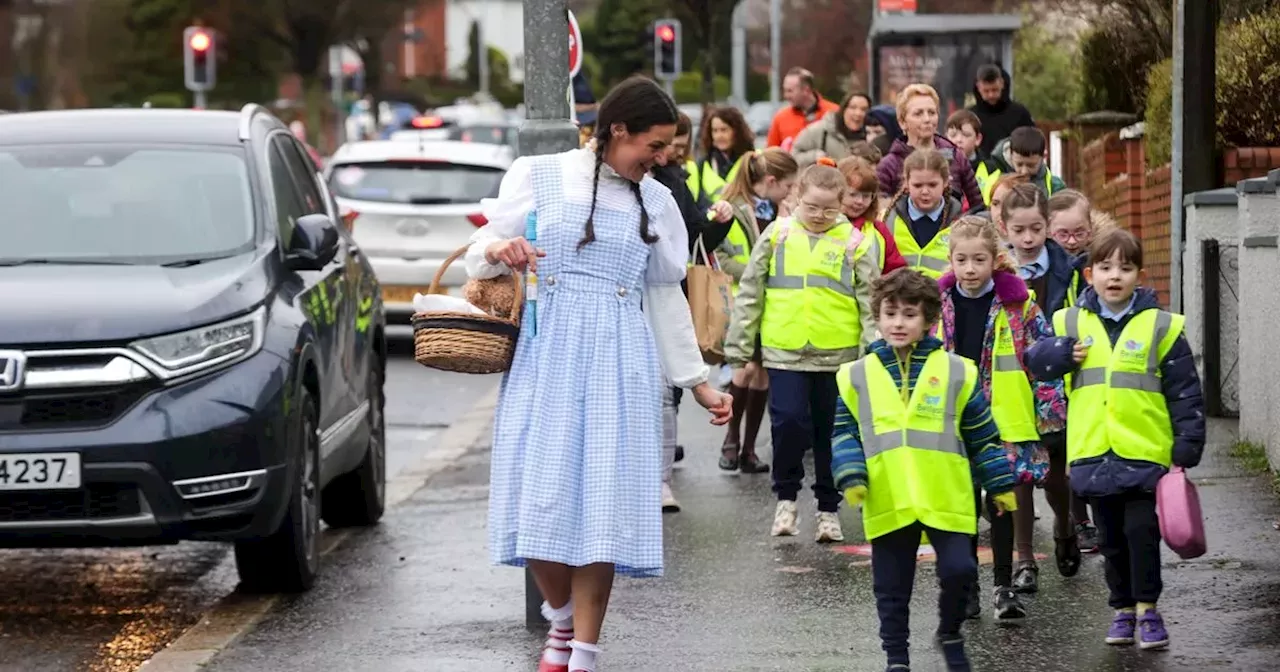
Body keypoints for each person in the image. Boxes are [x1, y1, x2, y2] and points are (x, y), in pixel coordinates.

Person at [465, 76, 733, 672]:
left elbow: (666, 300)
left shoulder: (659, 200)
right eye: (655, 145)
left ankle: (582, 650)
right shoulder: (540, 175)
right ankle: (560, 622)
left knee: (604, 507)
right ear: (618, 130)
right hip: (547, 355)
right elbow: (476, 252)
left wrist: (699, 383)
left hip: (620, 360)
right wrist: (499, 250)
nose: (664, 158)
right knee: (539, 498)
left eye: (668, 148)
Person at [1026, 227, 1206, 651]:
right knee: (1109, 540)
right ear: (1089, 274)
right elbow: (1036, 360)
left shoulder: (1160, 327)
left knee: (1141, 531)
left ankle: (1148, 610)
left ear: (1139, 276)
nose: (1114, 276)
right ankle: (1122, 609)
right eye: (1105, 267)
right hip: (1092, 453)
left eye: (1125, 268)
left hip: (1144, 453)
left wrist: (1186, 445)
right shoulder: (1071, 321)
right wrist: (1061, 353)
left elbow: (1185, 390)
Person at [831, 268, 1017, 672]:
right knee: (891, 588)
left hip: (946, 494)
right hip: (888, 494)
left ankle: (949, 630)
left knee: (960, 570)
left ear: (929, 319)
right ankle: (897, 659)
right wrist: (851, 476)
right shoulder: (856, 375)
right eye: (890, 313)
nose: (899, 323)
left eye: (910, 314)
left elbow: (983, 435)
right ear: (877, 316)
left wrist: (999, 484)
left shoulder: (957, 370)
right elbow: (844, 432)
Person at [726, 158, 879, 542]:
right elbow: (750, 292)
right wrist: (740, 347)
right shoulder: (776, 235)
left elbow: (871, 303)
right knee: (789, 424)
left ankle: (828, 508)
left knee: (832, 433)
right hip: (785, 351)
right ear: (796, 197)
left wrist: (872, 353)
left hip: (838, 355)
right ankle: (786, 499)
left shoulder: (856, 244)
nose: (819, 215)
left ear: (843, 203)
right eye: (811, 207)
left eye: (829, 208)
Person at [934, 216, 1067, 622]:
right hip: (953, 421)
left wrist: (1050, 417)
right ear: (951, 261)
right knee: (963, 506)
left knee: (1001, 504)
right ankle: (970, 586)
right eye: (962, 260)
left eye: (979, 259)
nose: (970, 268)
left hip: (1004, 423)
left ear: (995, 259)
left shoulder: (1018, 304)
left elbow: (1044, 360)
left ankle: (1003, 586)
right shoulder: (938, 305)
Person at [997, 182, 1087, 593]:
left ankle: (1066, 528)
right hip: (1012, 382)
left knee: (1054, 475)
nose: (1029, 238)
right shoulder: (999, 274)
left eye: (1036, 228)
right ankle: (1023, 559)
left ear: (1048, 225)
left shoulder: (1070, 269)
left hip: (1059, 382)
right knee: (1017, 471)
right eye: (1019, 230)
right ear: (1005, 228)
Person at [649, 111, 737, 512]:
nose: (670, 152)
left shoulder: (674, 181)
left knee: (667, 392)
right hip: (629, 303)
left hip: (669, 293)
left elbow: (693, 235)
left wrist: (720, 222)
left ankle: (661, 480)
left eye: (677, 144)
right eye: (664, 144)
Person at [712, 148, 799, 473]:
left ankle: (748, 449)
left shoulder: (779, 210)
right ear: (772, 180)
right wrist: (757, 269)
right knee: (744, 369)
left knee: (761, 373)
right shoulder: (732, 209)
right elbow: (719, 254)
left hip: (772, 303)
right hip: (741, 301)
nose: (791, 192)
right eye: (787, 186)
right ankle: (731, 440)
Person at [877, 84, 984, 211]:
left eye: (932, 112)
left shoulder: (956, 156)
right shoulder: (889, 165)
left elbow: (978, 208)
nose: (927, 119)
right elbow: (881, 215)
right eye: (918, 114)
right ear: (902, 122)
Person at [881, 149, 962, 279]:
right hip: (898, 296)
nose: (925, 191)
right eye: (918, 185)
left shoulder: (960, 223)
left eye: (932, 185)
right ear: (906, 183)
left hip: (940, 297)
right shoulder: (887, 219)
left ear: (946, 182)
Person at [836, 156, 907, 274]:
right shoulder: (822, 225)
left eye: (866, 196)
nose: (859, 201)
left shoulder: (878, 230)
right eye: (853, 194)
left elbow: (895, 271)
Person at [690, 106, 755, 203]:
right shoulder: (703, 165)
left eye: (724, 130)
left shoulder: (752, 160)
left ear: (737, 131)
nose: (719, 136)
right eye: (715, 131)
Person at [968, 64, 1035, 156]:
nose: (991, 95)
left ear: (1002, 84)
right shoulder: (970, 116)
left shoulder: (1020, 113)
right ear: (978, 87)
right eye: (986, 91)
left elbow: (1032, 142)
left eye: (995, 90)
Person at [792, 92, 873, 166]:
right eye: (853, 107)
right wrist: (814, 156)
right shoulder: (819, 130)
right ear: (843, 109)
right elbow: (793, 158)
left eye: (864, 109)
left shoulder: (871, 137)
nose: (858, 113)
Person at [766, 67, 840, 149]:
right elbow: (770, 153)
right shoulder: (780, 118)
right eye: (785, 90)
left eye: (790, 91)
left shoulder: (834, 112)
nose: (786, 96)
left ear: (806, 90)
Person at [946, 109, 1004, 207]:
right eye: (953, 135)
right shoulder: (937, 166)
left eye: (966, 135)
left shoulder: (991, 168)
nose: (958, 140)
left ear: (978, 139)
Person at [992, 127, 1067, 197]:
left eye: (1031, 165)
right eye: (1019, 164)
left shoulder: (1055, 186)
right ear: (1010, 156)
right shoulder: (995, 182)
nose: (1024, 171)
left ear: (1044, 157)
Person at [1048, 188, 1117, 260]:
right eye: (1063, 235)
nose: (1072, 242)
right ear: (1048, 232)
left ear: (1090, 229)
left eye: (1079, 234)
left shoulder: (1105, 259)